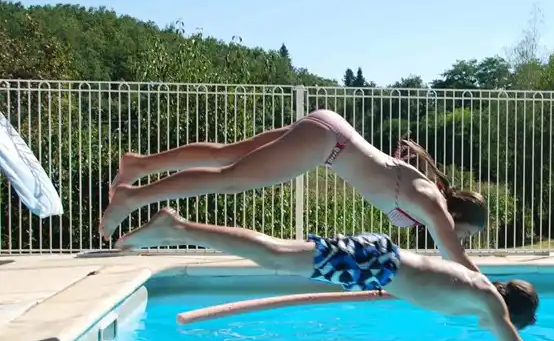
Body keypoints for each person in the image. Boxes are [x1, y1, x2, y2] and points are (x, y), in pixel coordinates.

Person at [117, 207, 554, 341]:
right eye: (514, 324)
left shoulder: (481, 290)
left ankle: (178, 227)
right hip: (376, 263)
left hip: (377, 263)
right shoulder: (491, 302)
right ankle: (179, 225)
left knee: (277, 257)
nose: (507, 329)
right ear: (512, 313)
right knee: (275, 255)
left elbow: (428, 285)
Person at [100, 110, 487, 272]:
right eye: (465, 233)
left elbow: (449, 252)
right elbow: (456, 259)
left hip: (330, 130)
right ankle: (133, 196)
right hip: (327, 145)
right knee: (230, 177)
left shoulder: (430, 197)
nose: (461, 240)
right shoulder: (434, 205)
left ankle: (139, 165)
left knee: (227, 156)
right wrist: (496, 294)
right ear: (459, 216)